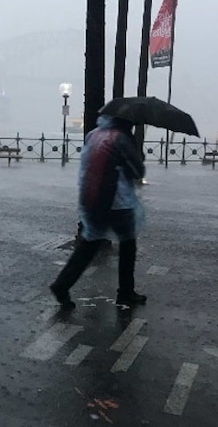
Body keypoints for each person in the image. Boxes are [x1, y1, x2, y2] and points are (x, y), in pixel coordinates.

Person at [50, 114, 147, 308]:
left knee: (88, 245)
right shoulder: (121, 138)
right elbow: (137, 171)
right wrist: (136, 156)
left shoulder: (94, 134)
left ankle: (62, 284)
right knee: (128, 246)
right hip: (117, 201)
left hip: (90, 198)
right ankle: (125, 292)